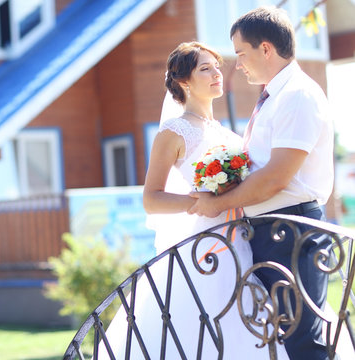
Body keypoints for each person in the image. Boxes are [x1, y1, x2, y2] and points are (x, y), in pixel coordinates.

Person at [97, 41, 288, 359]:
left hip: (239, 244)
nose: (217, 73)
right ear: (183, 81)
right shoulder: (173, 132)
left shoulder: (228, 133)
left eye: (216, 66)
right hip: (198, 251)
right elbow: (151, 199)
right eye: (205, 68)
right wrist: (198, 201)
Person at [188, 6, 335, 360]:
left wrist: (217, 202)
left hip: (293, 231)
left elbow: (276, 177)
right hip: (273, 230)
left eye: (241, 54)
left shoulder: (297, 95)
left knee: (303, 340)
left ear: (265, 49)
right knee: (285, 337)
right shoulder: (273, 97)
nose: (237, 64)